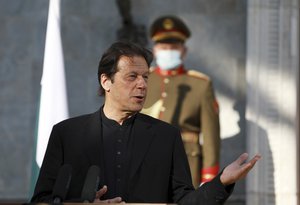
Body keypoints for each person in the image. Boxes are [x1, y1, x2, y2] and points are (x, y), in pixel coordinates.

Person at [30, 41, 261, 204]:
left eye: (145, 77)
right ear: (106, 81)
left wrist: (221, 182)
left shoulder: (166, 136)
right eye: (132, 77)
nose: (142, 85)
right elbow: (42, 199)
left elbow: (184, 200)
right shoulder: (67, 134)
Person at [142, 15, 220, 187]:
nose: (168, 51)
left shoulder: (200, 84)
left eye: (174, 47)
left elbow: (211, 135)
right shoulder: (144, 79)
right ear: (154, 50)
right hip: (145, 159)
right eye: (163, 47)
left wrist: (209, 177)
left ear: (184, 51)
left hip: (186, 162)